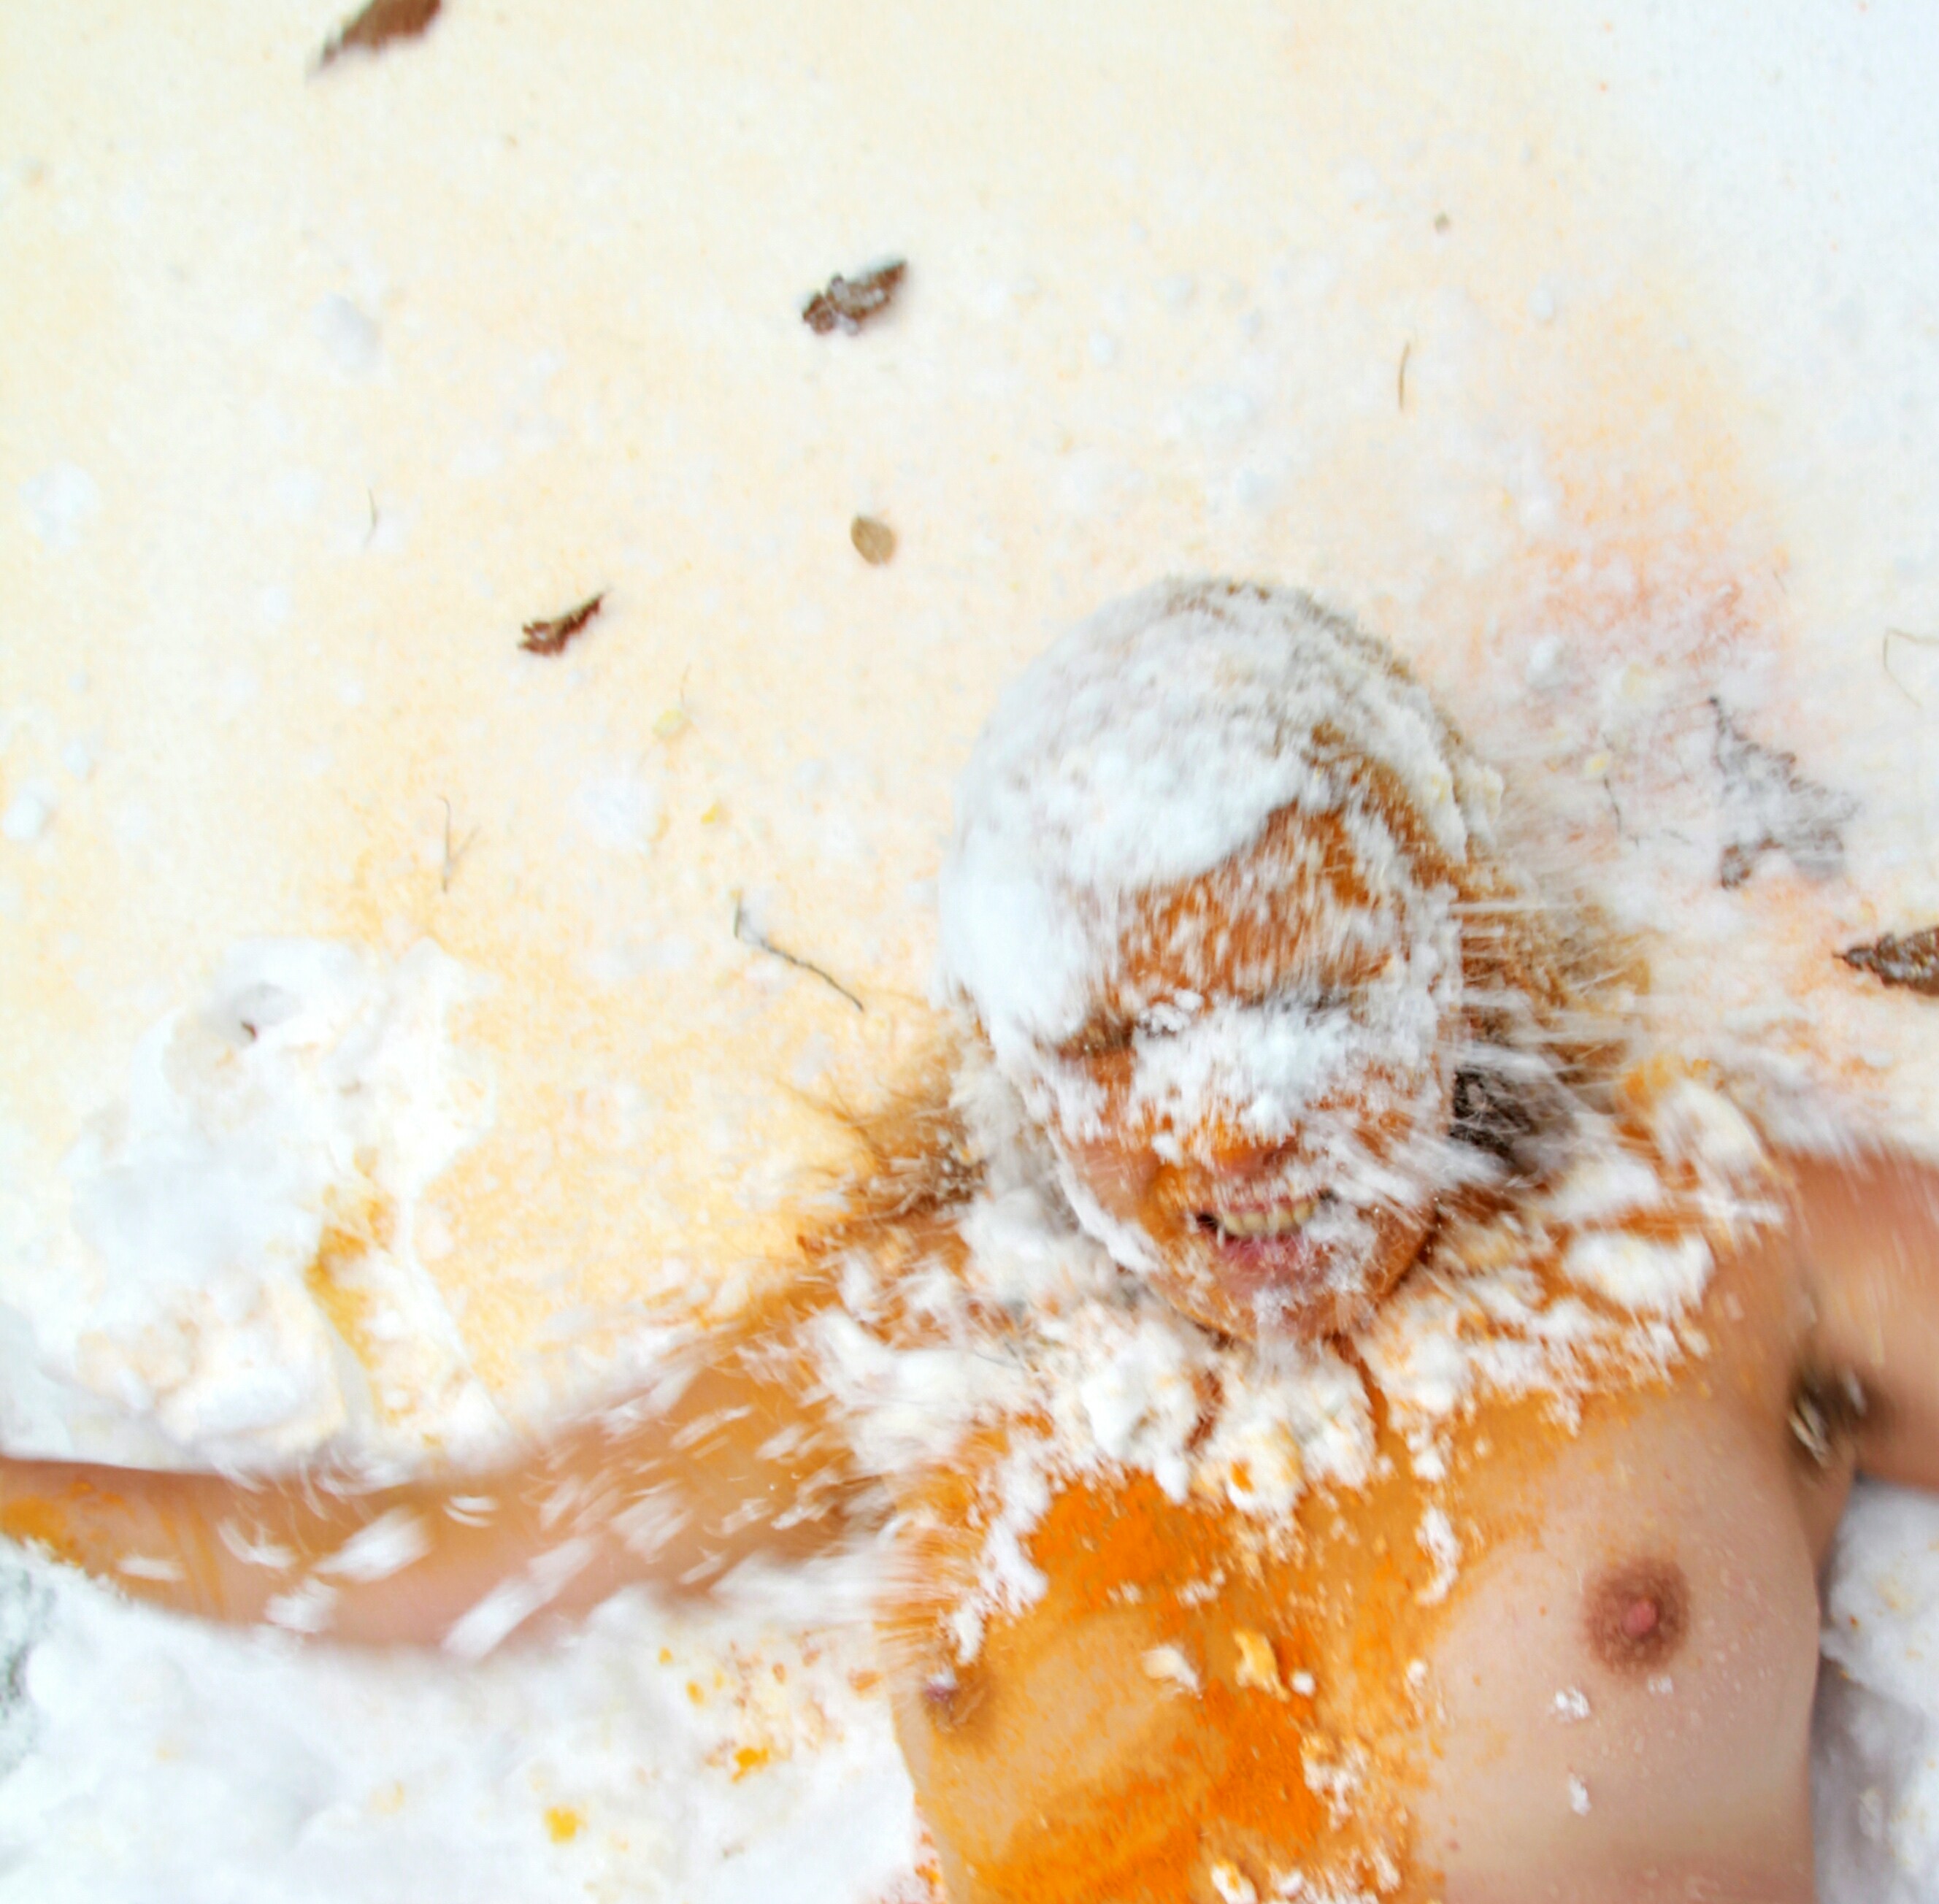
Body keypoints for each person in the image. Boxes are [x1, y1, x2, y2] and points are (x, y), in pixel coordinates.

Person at [4, 578, 1938, 1903]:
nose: (1231, 1129)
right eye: (1112, 1048)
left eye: (1310, 1001)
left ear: (1451, 956)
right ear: (1011, 1067)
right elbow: (432, 1554)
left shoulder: (1717, 1251)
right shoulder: (936, 1348)